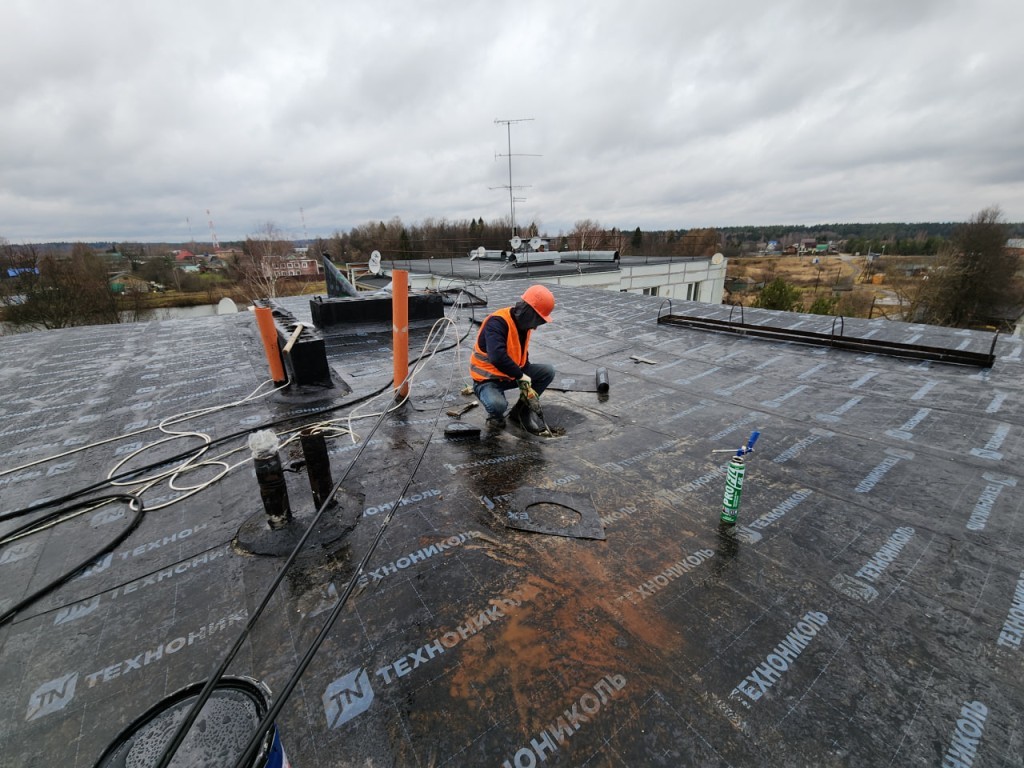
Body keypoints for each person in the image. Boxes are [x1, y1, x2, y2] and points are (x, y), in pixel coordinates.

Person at [469, 285, 556, 430]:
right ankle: (495, 418)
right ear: (529, 312)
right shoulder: (497, 323)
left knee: (547, 372)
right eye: (538, 321)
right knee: (498, 405)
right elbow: (497, 357)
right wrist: (521, 375)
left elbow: (521, 354)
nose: (535, 327)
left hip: (509, 376)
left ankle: (520, 413)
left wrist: (526, 381)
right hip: (487, 379)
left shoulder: (524, 325)